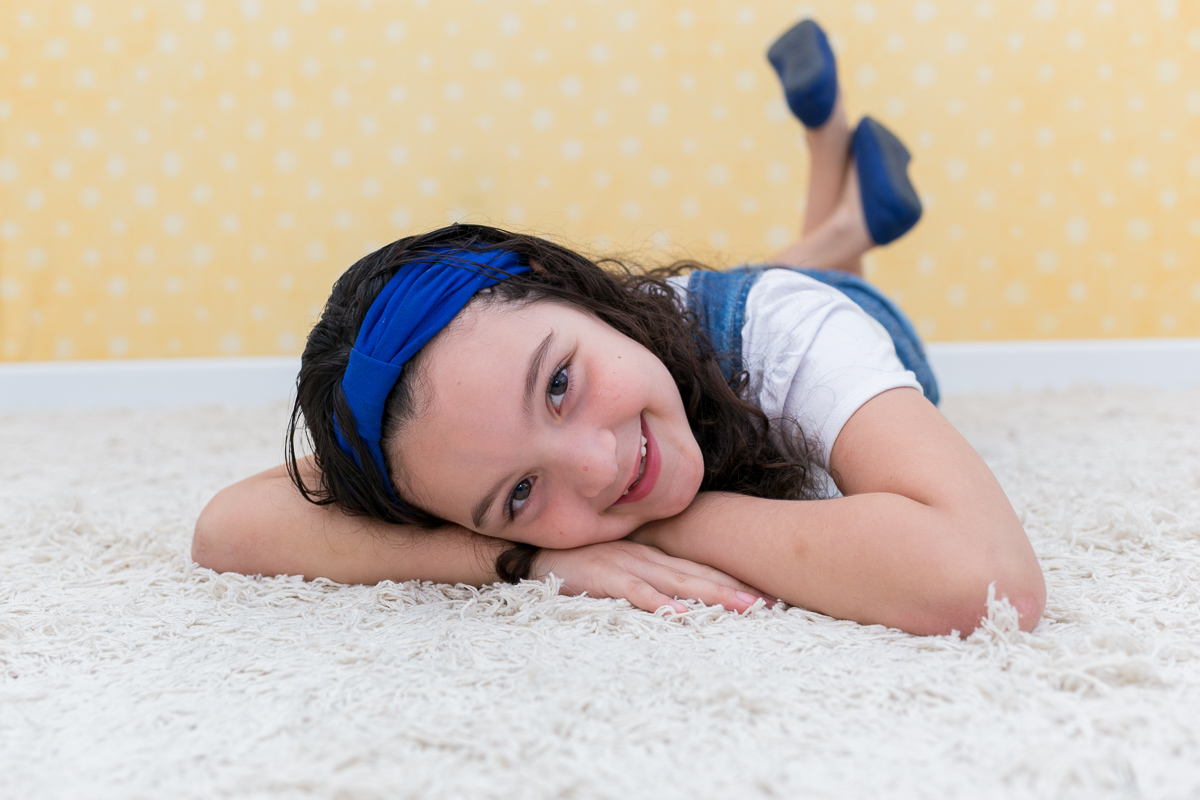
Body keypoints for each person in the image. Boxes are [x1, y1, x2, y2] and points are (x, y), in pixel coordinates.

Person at [193, 20, 1046, 636]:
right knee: (793, 271)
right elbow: (228, 527)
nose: (602, 469)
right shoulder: (452, 434)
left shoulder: (792, 336)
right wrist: (521, 558)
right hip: (691, 323)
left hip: (817, 312)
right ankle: (836, 173)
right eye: (519, 497)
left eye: (560, 384)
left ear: (580, 292)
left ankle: (843, 216)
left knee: (810, 285)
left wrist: (658, 526)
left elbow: (991, 581)